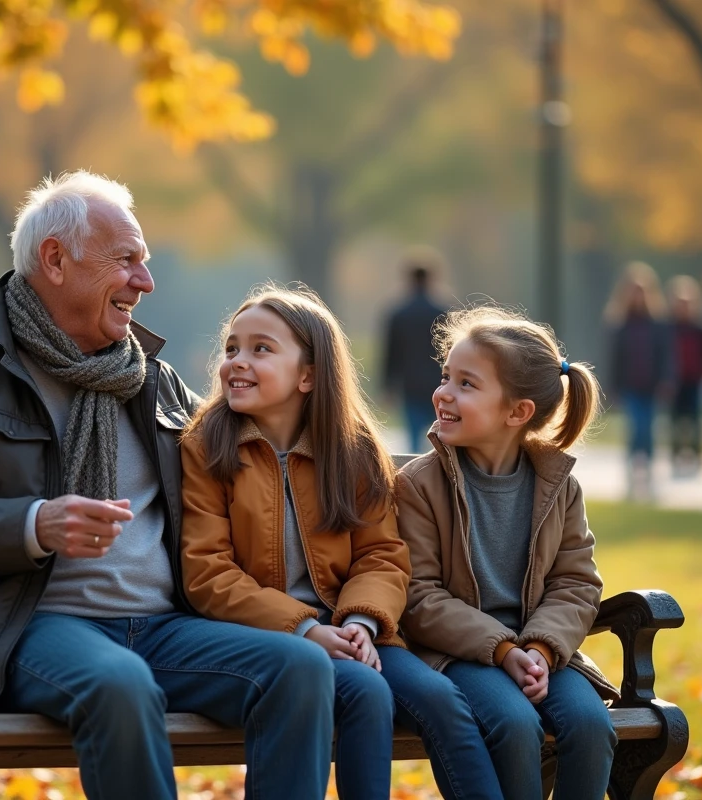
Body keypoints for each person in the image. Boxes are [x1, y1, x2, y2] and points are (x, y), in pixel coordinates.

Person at [0, 172, 338, 800]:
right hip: (22, 629)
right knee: (120, 684)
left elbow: (251, 468)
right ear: (55, 260)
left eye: (144, 261)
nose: (145, 281)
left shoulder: (152, 380)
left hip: (164, 627)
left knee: (299, 667)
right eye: (126, 260)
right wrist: (34, 524)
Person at [180, 285, 504, 800]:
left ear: (308, 375)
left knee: (441, 700)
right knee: (366, 692)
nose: (237, 361)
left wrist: (360, 621)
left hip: (353, 628)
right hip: (263, 637)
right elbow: (208, 572)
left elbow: (382, 554)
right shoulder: (207, 447)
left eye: (261, 349)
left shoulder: (353, 451)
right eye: (232, 348)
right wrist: (305, 628)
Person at [395, 305, 621, 800]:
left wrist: (539, 649)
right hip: (458, 655)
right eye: (446, 376)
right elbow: (417, 595)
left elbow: (576, 583)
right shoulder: (419, 486)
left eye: (466, 384)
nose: (443, 392)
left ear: (517, 413)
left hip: (541, 652)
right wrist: (503, 650)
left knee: (590, 725)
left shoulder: (559, 487)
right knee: (514, 725)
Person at [604, 261, 670, 500]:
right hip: (630, 385)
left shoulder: (658, 324)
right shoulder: (619, 324)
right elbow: (613, 358)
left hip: (651, 385)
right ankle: (632, 466)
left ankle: (649, 467)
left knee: (649, 427)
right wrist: (612, 386)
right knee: (636, 426)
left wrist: (667, 380)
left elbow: (666, 356)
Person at [383, 247, 450, 454]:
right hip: (438, 382)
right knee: (442, 433)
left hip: (410, 383)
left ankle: (415, 470)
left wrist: (388, 385)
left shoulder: (398, 314)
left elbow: (391, 352)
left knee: (413, 440)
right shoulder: (442, 312)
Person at [667, 275, 702, 477]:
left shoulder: (701, 328)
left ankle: (697, 453)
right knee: (675, 420)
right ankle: (676, 453)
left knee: (695, 419)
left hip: (694, 381)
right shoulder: (669, 328)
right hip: (674, 382)